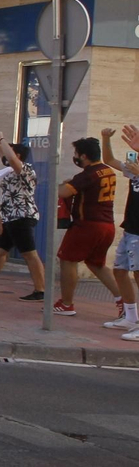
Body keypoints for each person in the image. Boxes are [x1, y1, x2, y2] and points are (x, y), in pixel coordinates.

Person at [54, 136, 125, 317]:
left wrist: (59, 184)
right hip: (107, 225)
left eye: (77, 154)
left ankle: (66, 304)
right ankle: (123, 301)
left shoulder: (87, 174)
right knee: (96, 264)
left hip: (87, 225)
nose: (75, 157)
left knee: (67, 259)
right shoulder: (107, 171)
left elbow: (63, 192)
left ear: (84, 156)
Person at [0, 133, 47, 302]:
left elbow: (12, 160)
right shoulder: (10, 168)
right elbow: (6, 158)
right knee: (0, 251)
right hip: (10, 217)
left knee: (29, 253)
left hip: (21, 216)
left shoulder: (25, 169)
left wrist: (2, 141)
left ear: (18, 155)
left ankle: (40, 289)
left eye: (10, 151)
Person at [99, 128, 139, 331]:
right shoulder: (135, 167)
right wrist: (106, 139)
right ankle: (131, 317)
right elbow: (110, 161)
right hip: (131, 228)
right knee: (120, 270)